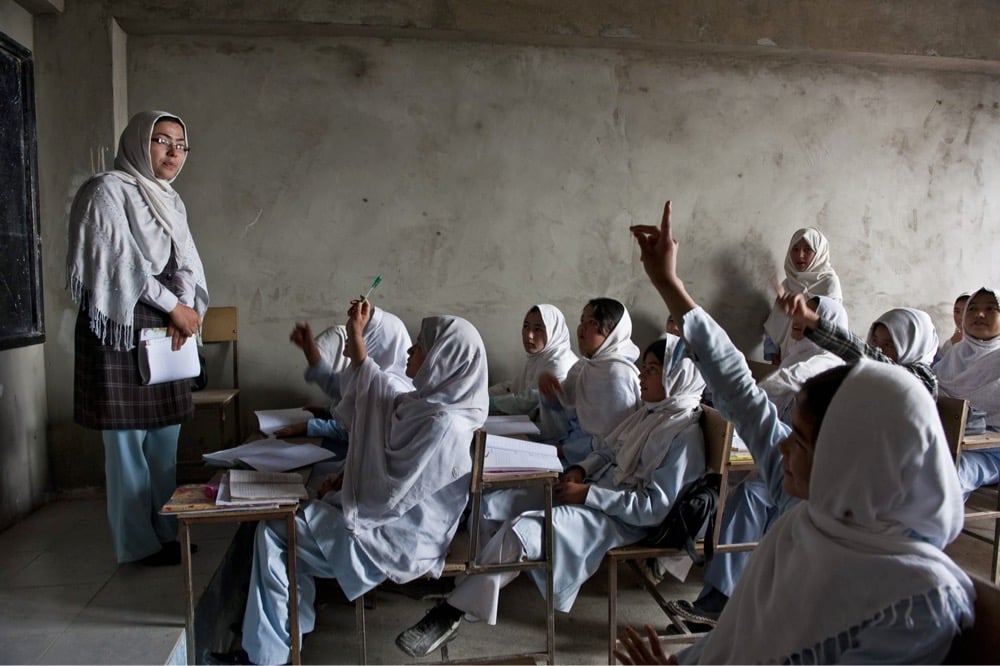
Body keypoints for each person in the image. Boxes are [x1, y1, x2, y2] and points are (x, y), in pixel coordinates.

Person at [625, 200, 973, 664]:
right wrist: (670, 286)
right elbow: (743, 395)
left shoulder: (917, 603)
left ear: (851, 461)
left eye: (802, 439)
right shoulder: (817, 509)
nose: (782, 444)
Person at [395, 335, 706, 658]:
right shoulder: (652, 414)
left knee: (524, 531)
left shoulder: (684, 435)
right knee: (490, 505)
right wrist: (582, 471)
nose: (642, 375)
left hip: (620, 518)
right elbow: (610, 452)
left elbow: (653, 509)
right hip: (596, 491)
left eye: (653, 370)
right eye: (644, 368)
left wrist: (589, 495)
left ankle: (450, 614)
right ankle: (474, 587)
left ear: (676, 377)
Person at [221, 303, 488, 665]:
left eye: (421, 346)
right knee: (287, 523)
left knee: (275, 530)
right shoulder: (427, 406)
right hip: (393, 524)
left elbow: (389, 486)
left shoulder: (443, 423)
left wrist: (360, 342)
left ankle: (268, 655)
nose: (411, 350)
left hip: (398, 538)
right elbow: (382, 411)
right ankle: (282, 640)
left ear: (444, 358)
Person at [66, 110, 208, 566]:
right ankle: (136, 546)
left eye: (181, 144)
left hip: (168, 327)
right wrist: (175, 307)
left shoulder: (170, 200)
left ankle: (168, 532)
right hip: (120, 326)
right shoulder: (105, 191)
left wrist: (183, 308)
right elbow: (120, 266)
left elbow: (186, 261)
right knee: (127, 446)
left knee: (165, 443)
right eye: (161, 140)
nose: (173, 152)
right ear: (137, 142)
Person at [276, 306, 413, 454]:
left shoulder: (393, 389)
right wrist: (327, 411)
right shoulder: (372, 376)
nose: (350, 339)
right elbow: (341, 388)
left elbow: (359, 429)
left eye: (358, 334)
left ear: (377, 344)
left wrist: (311, 427)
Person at [538, 298, 642, 465]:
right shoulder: (585, 365)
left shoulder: (617, 375)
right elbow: (567, 409)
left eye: (592, 322)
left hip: (594, 463)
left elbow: (614, 442)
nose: (582, 328)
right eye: (582, 320)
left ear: (613, 332)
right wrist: (550, 391)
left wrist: (565, 451)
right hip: (570, 448)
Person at [787, 297, 939, 396]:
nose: (879, 350)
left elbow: (886, 368)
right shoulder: (870, 378)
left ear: (913, 345)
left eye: (888, 344)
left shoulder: (925, 379)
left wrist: (814, 321)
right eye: (875, 341)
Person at [936, 287, 1000, 494]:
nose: (980, 315)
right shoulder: (953, 357)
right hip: (947, 442)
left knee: (945, 475)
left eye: (991, 309)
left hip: (991, 452)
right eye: (972, 309)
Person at [488, 304, 578, 440]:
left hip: (559, 437)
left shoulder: (559, 363)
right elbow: (512, 386)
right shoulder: (539, 357)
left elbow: (524, 402)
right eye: (526, 327)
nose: (529, 335)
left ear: (554, 331)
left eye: (538, 329)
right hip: (536, 425)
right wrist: (482, 394)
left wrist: (485, 403)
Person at [762, 227, 842, 365]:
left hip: (814, 365)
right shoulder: (788, 284)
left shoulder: (829, 284)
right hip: (785, 361)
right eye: (795, 249)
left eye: (807, 249)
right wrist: (775, 361)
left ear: (819, 253)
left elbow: (831, 329)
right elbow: (774, 329)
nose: (800, 255)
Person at [939, 292, 972, 358]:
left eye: (966, 311)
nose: (961, 317)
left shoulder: (987, 344)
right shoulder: (949, 344)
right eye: (957, 312)